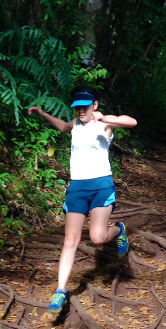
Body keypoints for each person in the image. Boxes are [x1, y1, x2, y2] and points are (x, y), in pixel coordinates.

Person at [28, 87, 137, 314]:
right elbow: (64, 127)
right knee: (70, 240)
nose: (80, 111)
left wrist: (105, 117)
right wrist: (43, 115)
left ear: (94, 105)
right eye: (77, 107)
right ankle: (60, 290)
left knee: (97, 238)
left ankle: (118, 229)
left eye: (85, 107)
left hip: (100, 186)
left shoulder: (103, 124)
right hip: (77, 187)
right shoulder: (76, 124)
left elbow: (132, 122)